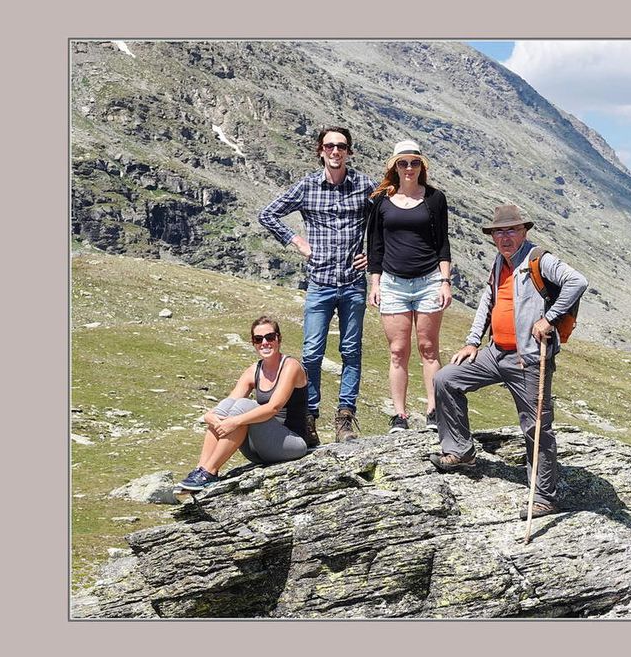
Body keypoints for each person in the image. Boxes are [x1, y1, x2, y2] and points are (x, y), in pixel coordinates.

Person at [431, 205, 588, 520]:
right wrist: (473, 342)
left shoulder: (538, 260)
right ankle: (460, 452)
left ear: (524, 231)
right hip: (495, 352)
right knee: (446, 378)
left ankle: (544, 498)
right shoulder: (499, 263)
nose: (504, 237)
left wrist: (550, 319)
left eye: (511, 230)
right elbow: (488, 300)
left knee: (536, 427)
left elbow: (577, 281)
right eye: (499, 232)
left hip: (528, 357)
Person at [258, 126, 376, 444]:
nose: (335, 151)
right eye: (329, 146)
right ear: (320, 151)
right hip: (320, 283)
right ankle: (308, 418)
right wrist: (296, 240)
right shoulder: (308, 185)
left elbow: (387, 221)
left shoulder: (365, 185)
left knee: (351, 351)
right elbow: (268, 214)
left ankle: (345, 420)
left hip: (353, 284)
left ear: (349, 151)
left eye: (341, 146)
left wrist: (374, 255)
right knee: (311, 354)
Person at [367, 140, 452, 433]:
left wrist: (445, 281)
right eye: (403, 163)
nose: (409, 169)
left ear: (422, 167)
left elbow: (443, 243)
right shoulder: (380, 202)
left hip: (429, 280)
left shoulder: (435, 199)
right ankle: (400, 416)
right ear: (394, 166)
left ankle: (433, 411)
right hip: (392, 282)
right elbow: (375, 244)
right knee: (397, 350)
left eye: (414, 163)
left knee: (429, 348)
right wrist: (374, 283)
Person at [178, 316, 311, 491]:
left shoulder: (290, 366)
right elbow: (228, 404)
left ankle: (209, 472)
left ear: (278, 338)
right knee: (226, 408)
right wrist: (211, 416)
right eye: (258, 339)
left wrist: (235, 421)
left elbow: (274, 407)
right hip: (259, 449)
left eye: (270, 337)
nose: (265, 343)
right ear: (253, 343)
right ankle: (201, 470)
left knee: (242, 409)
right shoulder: (253, 370)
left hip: (291, 444)